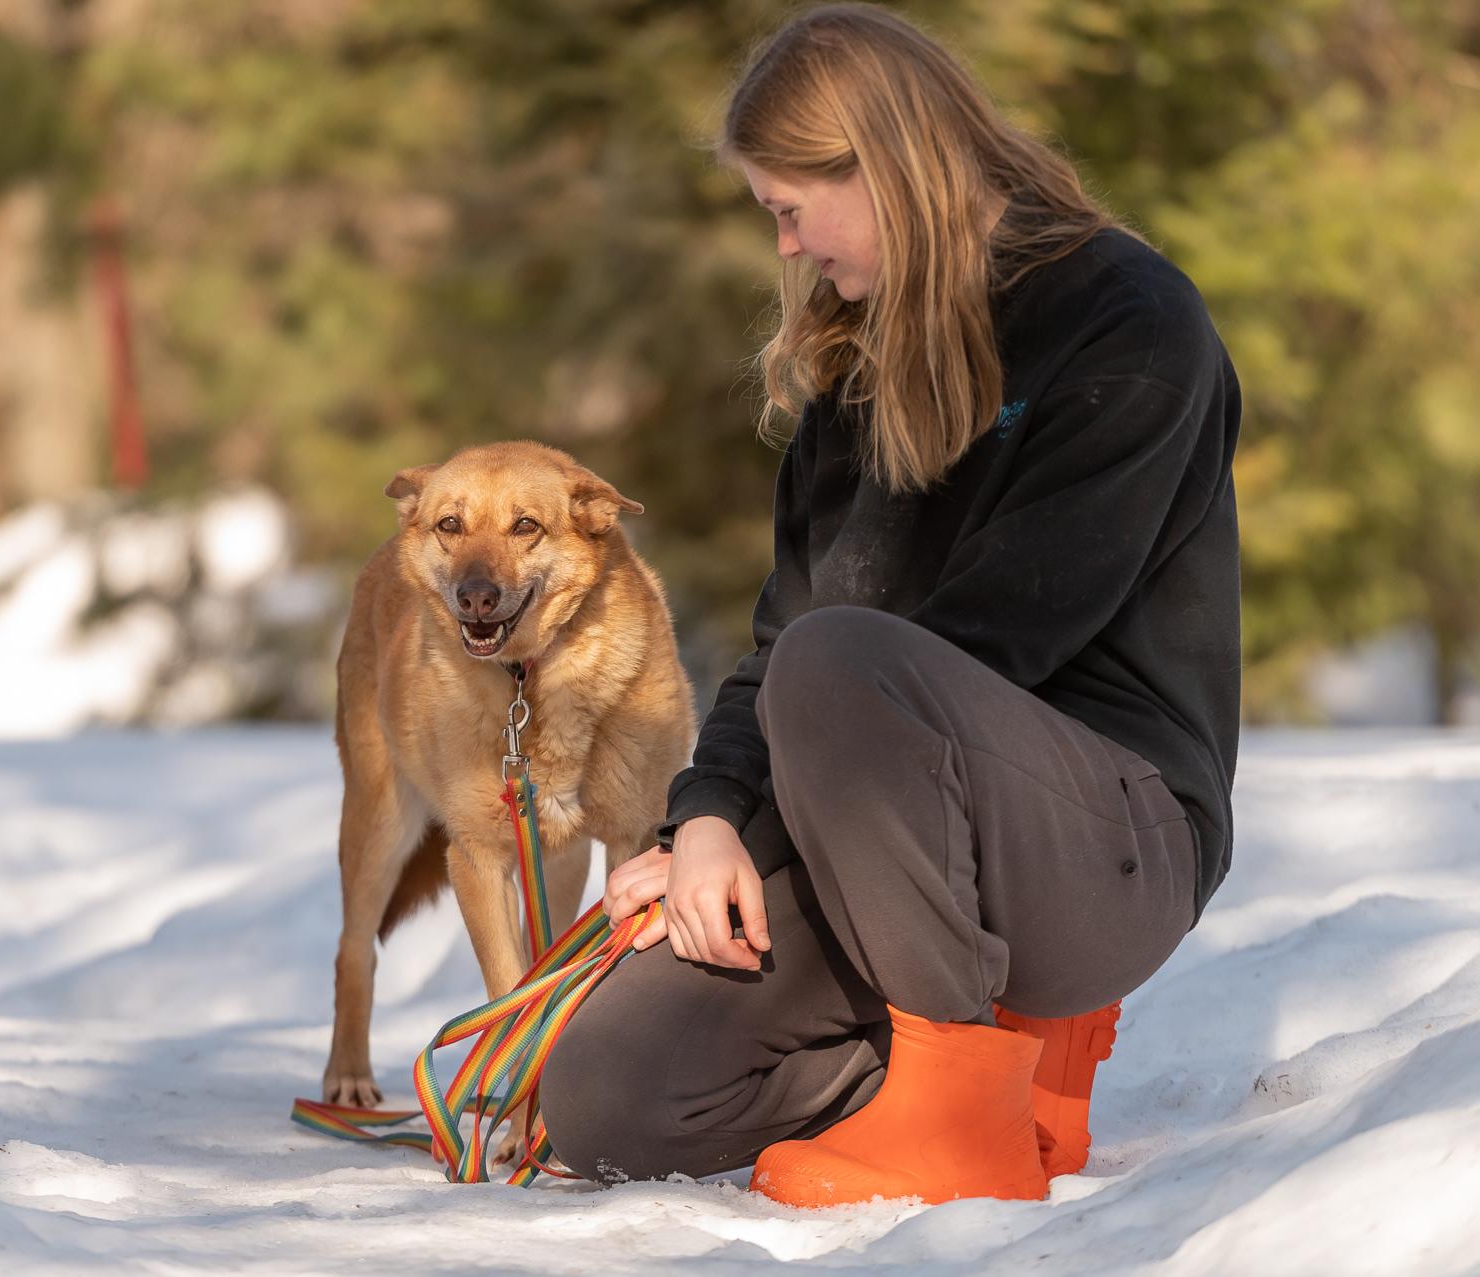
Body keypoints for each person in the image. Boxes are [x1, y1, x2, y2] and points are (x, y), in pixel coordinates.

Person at [538, 3, 1242, 1209]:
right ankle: (999, 1064)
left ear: (880, 165)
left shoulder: (1130, 321)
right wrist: (702, 827)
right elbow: (786, 640)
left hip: (1107, 845)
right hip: (895, 835)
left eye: (789, 209)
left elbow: (999, 633)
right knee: (610, 1093)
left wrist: (765, 824)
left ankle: (960, 1115)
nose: (787, 247)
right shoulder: (857, 367)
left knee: (843, 661)